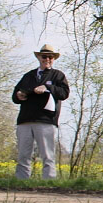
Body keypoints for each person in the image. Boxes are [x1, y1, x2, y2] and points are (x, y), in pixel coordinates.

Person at [12, 43, 69, 179]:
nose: (47, 59)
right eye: (44, 56)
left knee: (47, 154)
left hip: (46, 120)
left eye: (50, 57)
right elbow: (15, 95)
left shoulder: (58, 75)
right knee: (23, 154)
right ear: (39, 57)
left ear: (53, 59)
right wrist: (19, 95)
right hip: (25, 120)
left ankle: (49, 182)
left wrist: (48, 88)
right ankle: (21, 182)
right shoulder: (28, 76)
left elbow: (64, 93)